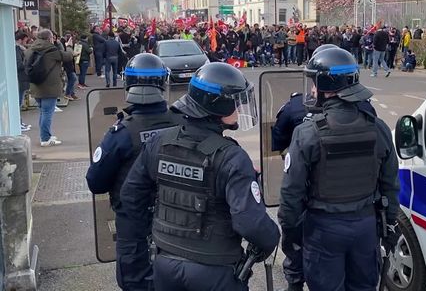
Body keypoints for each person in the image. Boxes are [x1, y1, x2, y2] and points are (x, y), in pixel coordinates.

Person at [120, 62, 280, 291]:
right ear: (219, 107)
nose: (238, 109)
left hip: (165, 263)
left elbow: (131, 197)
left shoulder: (160, 142)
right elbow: (251, 223)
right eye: (235, 103)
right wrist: (272, 237)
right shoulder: (232, 157)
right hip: (214, 270)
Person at [278, 48, 400, 291]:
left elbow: (291, 194)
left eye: (314, 83)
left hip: (323, 230)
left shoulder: (308, 133)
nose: (312, 90)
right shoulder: (379, 128)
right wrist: (390, 226)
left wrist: (290, 237)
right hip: (366, 227)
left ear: (325, 85)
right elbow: (390, 185)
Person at [86, 53, 180, 291]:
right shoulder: (182, 124)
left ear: (128, 84)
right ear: (163, 83)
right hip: (179, 218)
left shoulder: (119, 134)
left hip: (134, 222)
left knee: (135, 282)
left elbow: (95, 182)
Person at [25, 29, 73, 147]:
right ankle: (45, 139)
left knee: (43, 112)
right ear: (50, 38)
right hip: (49, 87)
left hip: (36, 86)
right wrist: (69, 46)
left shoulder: (30, 49)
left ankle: (46, 135)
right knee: (47, 113)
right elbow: (67, 56)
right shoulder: (51, 50)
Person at [15, 31, 31, 132]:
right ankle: (18, 123)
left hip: (21, 78)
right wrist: (27, 63)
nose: (27, 42)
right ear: (21, 40)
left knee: (19, 101)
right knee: (18, 101)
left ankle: (19, 122)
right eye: (25, 40)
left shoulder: (19, 49)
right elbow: (19, 65)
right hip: (20, 78)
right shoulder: (17, 49)